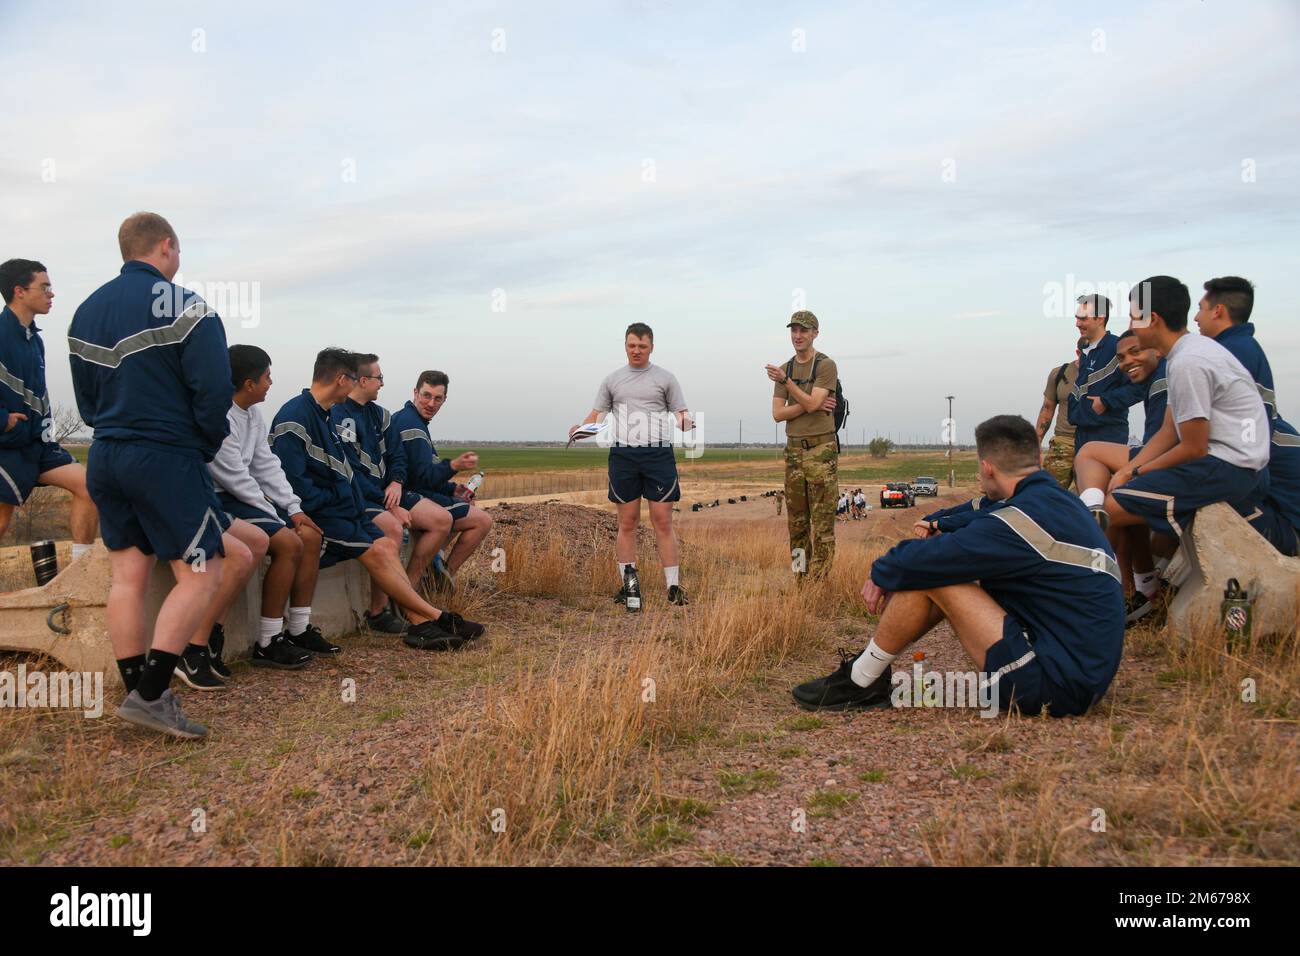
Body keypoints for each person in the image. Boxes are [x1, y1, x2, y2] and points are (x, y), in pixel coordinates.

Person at [792, 415, 1124, 717]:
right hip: (1082, 674)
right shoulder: (1057, 504)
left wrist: (882, 571)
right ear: (1035, 460)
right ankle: (865, 676)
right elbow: (975, 521)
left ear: (988, 467)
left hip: (1054, 688)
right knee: (940, 568)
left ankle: (861, 680)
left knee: (937, 574)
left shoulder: (1017, 521)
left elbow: (931, 558)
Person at [68, 212, 252, 739]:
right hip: (165, 457)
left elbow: (84, 403)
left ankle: (136, 692)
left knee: (127, 575)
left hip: (104, 453)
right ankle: (151, 695)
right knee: (203, 570)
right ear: (166, 246)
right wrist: (201, 445)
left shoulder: (84, 311)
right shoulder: (187, 306)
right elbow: (214, 392)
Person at [270, 349, 485, 650]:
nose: (380, 384)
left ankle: (421, 621)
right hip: (321, 512)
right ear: (345, 380)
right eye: (375, 378)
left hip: (344, 507)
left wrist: (373, 494)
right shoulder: (298, 417)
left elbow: (352, 470)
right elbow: (298, 486)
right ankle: (433, 618)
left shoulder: (327, 413)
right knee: (385, 541)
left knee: (385, 544)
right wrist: (354, 502)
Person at [1098, 277, 1272, 621]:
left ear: (1154, 320)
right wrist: (1127, 470)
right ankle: (1138, 595)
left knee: (1110, 509)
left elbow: (1193, 447)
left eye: (1135, 317)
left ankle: (1108, 601)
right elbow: (1168, 429)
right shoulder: (1186, 355)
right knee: (1117, 492)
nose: (1131, 325)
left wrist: (1139, 471)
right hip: (1221, 462)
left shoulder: (1189, 362)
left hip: (1227, 468)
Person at [207, 344, 322, 672]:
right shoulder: (220, 415)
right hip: (220, 498)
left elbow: (266, 465)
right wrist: (276, 516)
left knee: (308, 534)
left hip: (244, 497)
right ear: (248, 384)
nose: (271, 382)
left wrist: (293, 507)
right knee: (288, 542)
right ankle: (268, 641)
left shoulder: (253, 415)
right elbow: (233, 476)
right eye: (267, 377)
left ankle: (297, 629)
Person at [571, 323, 693, 607]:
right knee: (627, 522)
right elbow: (596, 415)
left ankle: (673, 588)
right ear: (625, 346)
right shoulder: (613, 380)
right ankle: (630, 588)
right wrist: (580, 428)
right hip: (623, 456)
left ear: (651, 347)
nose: (636, 351)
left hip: (658, 455)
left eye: (642, 346)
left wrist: (687, 423)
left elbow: (681, 412)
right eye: (631, 346)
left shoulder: (666, 378)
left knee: (663, 521)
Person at [333, 354, 454, 631]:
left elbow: (398, 457)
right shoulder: (340, 415)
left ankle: (414, 593)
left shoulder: (381, 415)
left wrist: (396, 482)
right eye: (379, 378)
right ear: (362, 381)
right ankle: (381, 612)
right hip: (361, 497)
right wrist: (388, 505)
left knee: (444, 519)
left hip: (388, 493)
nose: (382, 384)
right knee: (394, 530)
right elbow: (351, 470)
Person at [1193, 277, 1299, 556]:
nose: (1196, 317)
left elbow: (1250, 465)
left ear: (1218, 311)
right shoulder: (1244, 349)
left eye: (1201, 308)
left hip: (1289, 532)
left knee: (1195, 493)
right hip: (1278, 514)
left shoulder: (1230, 354)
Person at [0, 259, 98, 562]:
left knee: (89, 486)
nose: (51, 294)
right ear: (19, 291)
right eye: (44, 287)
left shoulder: (35, 340)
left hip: (39, 446)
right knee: (1, 523)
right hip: (7, 445)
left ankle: (79, 570)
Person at [1072, 330, 1168, 619]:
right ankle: (1142, 592)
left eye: (1136, 352)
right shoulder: (1159, 378)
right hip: (1157, 454)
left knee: (1108, 495)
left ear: (1158, 350)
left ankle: (1093, 512)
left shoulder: (1168, 377)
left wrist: (1132, 469)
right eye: (1121, 357)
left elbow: (1175, 438)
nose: (1128, 361)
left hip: (1170, 460)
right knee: (1116, 499)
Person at [391, 370, 493, 589]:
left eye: (438, 398)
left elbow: (424, 474)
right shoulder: (411, 425)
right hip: (407, 494)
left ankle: (438, 572)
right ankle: (418, 585)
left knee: (467, 504)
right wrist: (454, 466)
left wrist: (453, 490)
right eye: (426, 395)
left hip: (416, 491)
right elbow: (422, 478)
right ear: (415, 392)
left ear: (444, 400)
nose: (431, 403)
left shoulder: (415, 421)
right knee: (481, 521)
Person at [767, 311, 840, 579]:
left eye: (804, 330)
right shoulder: (786, 367)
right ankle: (800, 579)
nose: (798, 336)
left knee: (822, 526)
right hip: (794, 451)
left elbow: (807, 404)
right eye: (794, 330)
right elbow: (777, 414)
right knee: (796, 526)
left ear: (815, 333)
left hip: (821, 452)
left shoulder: (825, 365)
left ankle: (818, 585)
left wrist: (789, 386)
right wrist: (812, 403)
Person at [1068, 294, 1145, 452]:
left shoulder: (1118, 348)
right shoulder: (1085, 352)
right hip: (1082, 433)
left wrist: (1106, 401)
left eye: (1083, 319)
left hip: (1108, 434)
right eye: (1077, 318)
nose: (1077, 324)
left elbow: (1139, 388)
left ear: (1100, 319)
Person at [1036, 338, 1084, 488]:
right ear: (1078, 352)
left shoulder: (1106, 374)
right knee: (1049, 494)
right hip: (1063, 443)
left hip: (1093, 442)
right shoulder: (1059, 374)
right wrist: (1036, 442)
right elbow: (1047, 409)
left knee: (1089, 497)